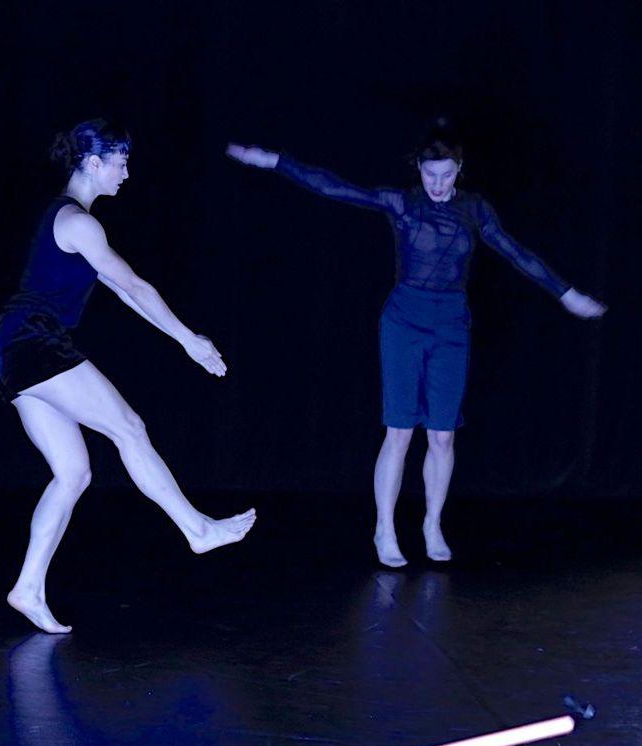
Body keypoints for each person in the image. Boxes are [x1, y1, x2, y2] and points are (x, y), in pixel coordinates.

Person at [226, 121, 605, 566]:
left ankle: (432, 524)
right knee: (400, 431)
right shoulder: (402, 203)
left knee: (442, 436)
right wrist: (272, 161)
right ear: (419, 169)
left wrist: (566, 293)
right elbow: (334, 187)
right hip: (404, 320)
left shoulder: (474, 210)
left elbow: (516, 252)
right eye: (430, 174)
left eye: (446, 175)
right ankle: (385, 529)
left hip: (451, 325)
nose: (438, 184)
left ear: (459, 169)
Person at [0, 119, 256, 633]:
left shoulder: (69, 219)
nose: (127, 174)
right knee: (129, 428)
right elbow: (135, 286)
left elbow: (122, 291)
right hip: (33, 344)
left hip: (12, 351)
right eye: (121, 162)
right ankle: (196, 529)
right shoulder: (78, 223)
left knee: (73, 473)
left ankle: (27, 588)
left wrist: (179, 337)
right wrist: (189, 339)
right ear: (94, 163)